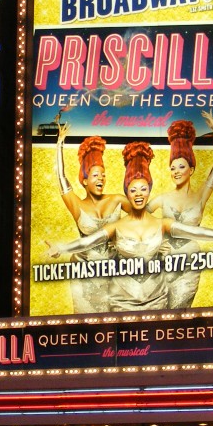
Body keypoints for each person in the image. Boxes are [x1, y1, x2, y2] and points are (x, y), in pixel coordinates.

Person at [46, 141, 213, 311]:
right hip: (118, 298)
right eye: (133, 190)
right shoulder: (117, 226)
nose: (138, 194)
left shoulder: (161, 223)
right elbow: (87, 242)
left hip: (157, 299)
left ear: (149, 191)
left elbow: (195, 232)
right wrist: (61, 248)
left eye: (143, 189)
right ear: (127, 194)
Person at [148, 113, 213, 308]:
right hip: (163, 262)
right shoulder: (163, 198)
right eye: (172, 168)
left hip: (190, 263)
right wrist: (153, 246)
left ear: (191, 169)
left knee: (179, 312)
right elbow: (135, 221)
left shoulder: (200, 196)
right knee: (158, 312)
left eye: (180, 166)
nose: (175, 171)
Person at [55, 125, 127, 312]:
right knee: (86, 326)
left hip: (114, 272)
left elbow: (142, 215)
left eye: (103, 175)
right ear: (85, 180)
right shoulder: (77, 205)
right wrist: (60, 143)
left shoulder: (117, 199)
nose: (101, 178)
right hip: (83, 275)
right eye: (96, 175)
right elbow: (61, 178)